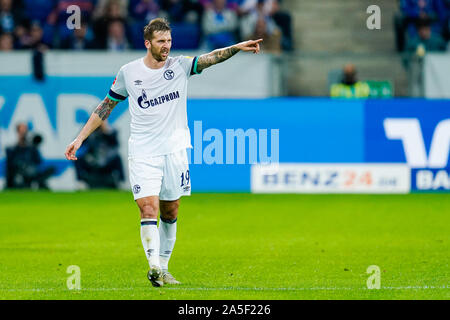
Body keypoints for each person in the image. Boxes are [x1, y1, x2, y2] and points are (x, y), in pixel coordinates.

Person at [65, 18, 262, 287]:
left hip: (175, 150)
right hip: (144, 151)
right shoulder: (129, 72)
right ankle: (154, 267)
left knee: (170, 211)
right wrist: (79, 139)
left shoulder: (180, 66)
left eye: (169, 40)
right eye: (161, 41)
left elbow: (211, 58)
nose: (166, 46)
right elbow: (106, 106)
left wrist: (237, 47)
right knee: (148, 208)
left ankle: (165, 267)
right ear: (148, 43)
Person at [5, 123, 55, 189]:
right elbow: (11, 165)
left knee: (51, 169)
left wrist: (35, 147)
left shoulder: (32, 148)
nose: (24, 134)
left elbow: (38, 161)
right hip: (19, 174)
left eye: (25, 131)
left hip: (33, 173)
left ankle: (35, 183)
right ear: (18, 132)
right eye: (21, 131)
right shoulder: (12, 149)